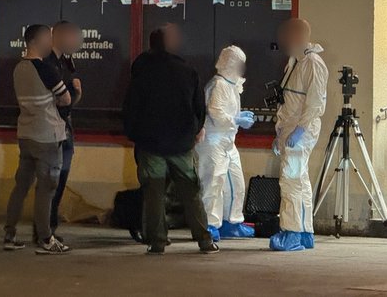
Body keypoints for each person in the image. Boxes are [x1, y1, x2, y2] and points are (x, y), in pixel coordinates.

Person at [122, 23, 219, 255]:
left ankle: (157, 241)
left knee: (154, 192)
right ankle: (204, 240)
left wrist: (134, 134)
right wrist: (195, 130)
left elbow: (131, 106)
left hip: (150, 142)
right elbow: (199, 107)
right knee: (190, 191)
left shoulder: (141, 70)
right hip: (182, 142)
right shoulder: (186, 70)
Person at [4, 24, 72, 255]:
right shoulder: (46, 69)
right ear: (39, 40)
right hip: (47, 136)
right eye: (48, 38)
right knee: (47, 188)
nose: (50, 42)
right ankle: (45, 239)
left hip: (26, 133)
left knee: (21, 186)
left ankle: (10, 234)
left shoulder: (18, 68)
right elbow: (66, 99)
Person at [269, 18, 328, 252]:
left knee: (291, 181)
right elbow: (289, 101)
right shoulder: (296, 61)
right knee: (299, 180)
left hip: (300, 131)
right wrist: (280, 133)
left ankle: (292, 231)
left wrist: (300, 130)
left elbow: (314, 103)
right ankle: (304, 232)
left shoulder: (313, 63)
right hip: (291, 129)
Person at [196, 45, 256, 242]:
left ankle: (232, 221)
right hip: (213, 141)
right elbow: (215, 112)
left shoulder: (231, 85)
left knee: (235, 182)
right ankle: (210, 225)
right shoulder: (219, 84)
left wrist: (237, 117)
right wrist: (236, 120)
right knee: (213, 184)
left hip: (228, 141)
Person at [42, 20, 83, 241]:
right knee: (52, 181)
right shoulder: (49, 64)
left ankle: (50, 227)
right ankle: (46, 230)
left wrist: (75, 96)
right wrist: (72, 96)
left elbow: (66, 102)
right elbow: (58, 101)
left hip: (64, 127)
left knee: (58, 180)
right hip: (54, 130)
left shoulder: (64, 63)